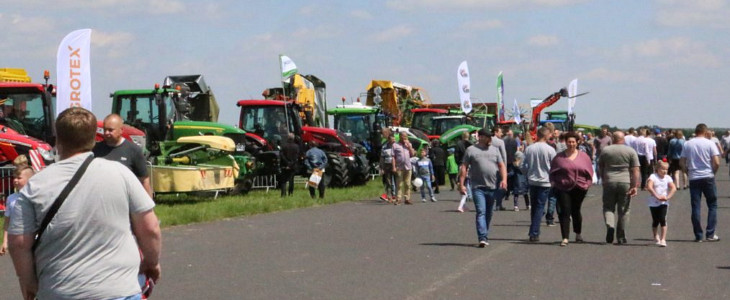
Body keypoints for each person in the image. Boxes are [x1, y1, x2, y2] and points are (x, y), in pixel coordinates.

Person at [8, 107, 161, 300]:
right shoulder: (121, 174)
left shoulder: (37, 184)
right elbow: (150, 227)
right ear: (93, 139)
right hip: (118, 290)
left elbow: (19, 243)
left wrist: (28, 281)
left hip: (60, 290)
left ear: (58, 140)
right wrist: (151, 262)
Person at [459, 129, 507, 247]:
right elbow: (464, 167)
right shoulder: (471, 150)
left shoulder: (495, 150)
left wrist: (504, 180)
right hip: (477, 187)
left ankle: (485, 234)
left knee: (489, 213)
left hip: (492, 186)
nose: (490, 139)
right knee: (481, 211)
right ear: (480, 137)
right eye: (487, 137)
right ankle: (482, 237)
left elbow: (501, 165)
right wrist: (461, 184)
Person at [549, 131, 594, 246]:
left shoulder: (584, 157)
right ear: (566, 142)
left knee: (575, 210)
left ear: (577, 142)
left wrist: (587, 184)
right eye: (569, 142)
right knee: (565, 211)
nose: (571, 144)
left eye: (573, 142)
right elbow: (552, 171)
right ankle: (565, 237)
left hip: (580, 187)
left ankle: (578, 233)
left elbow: (590, 172)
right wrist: (553, 182)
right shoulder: (559, 157)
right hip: (563, 187)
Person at [93, 113, 153, 197]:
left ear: (121, 130)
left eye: (110, 130)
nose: (106, 133)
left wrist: (149, 206)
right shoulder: (96, 150)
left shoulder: (133, 150)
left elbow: (144, 180)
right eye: (105, 129)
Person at [680, 123, 721, 242]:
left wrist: (687, 172)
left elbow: (682, 162)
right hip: (707, 175)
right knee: (712, 205)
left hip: (694, 177)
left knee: (696, 206)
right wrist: (713, 172)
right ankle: (710, 233)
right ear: (705, 131)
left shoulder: (688, 143)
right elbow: (717, 162)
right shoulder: (710, 143)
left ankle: (698, 235)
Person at [599, 131, 640, 245]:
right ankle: (621, 236)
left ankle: (610, 226)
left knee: (608, 207)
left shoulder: (606, 150)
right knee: (624, 210)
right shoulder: (630, 151)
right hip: (625, 181)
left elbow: (601, 166)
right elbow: (635, 170)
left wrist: (603, 178)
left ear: (612, 138)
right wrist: (634, 185)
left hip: (609, 181)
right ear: (623, 139)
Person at [522, 126, 556, 242]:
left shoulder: (529, 149)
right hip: (545, 181)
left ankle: (534, 229)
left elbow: (523, 165)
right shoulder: (550, 150)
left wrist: (527, 173)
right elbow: (554, 166)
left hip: (532, 180)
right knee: (539, 207)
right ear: (546, 135)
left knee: (535, 206)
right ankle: (534, 232)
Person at [1, 157, 34, 256]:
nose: (15, 180)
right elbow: (7, 222)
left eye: (19, 178)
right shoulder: (11, 198)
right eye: (14, 178)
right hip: (16, 239)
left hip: (33, 239)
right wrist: (5, 241)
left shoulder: (34, 197)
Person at [646, 161, 676, 247]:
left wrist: (668, 197)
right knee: (655, 220)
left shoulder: (668, 178)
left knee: (663, 219)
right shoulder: (653, 176)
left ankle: (663, 239)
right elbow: (649, 187)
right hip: (653, 202)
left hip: (664, 202)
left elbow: (673, 188)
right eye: (663, 169)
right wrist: (657, 196)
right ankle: (655, 235)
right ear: (657, 169)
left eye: (666, 169)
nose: (664, 171)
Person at [393, 131, 415, 205]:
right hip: (399, 167)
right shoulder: (395, 145)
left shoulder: (409, 144)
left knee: (408, 184)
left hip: (408, 167)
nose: (404, 138)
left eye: (405, 137)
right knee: (399, 184)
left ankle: (407, 199)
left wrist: (409, 147)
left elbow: (412, 154)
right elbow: (393, 157)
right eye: (403, 136)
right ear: (400, 136)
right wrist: (394, 167)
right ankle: (398, 199)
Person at [490, 126, 507, 211]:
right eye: (500, 132)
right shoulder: (500, 142)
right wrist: (505, 168)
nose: (502, 134)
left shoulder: (488, 140)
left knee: (491, 186)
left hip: (489, 166)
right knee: (499, 186)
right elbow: (504, 156)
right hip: (498, 166)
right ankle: (498, 204)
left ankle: (492, 204)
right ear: (496, 132)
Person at [279, 133, 300, 197]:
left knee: (283, 181)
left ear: (288, 138)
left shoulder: (283, 146)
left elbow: (282, 156)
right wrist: (291, 164)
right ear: (293, 138)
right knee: (291, 180)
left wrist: (287, 163)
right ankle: (290, 193)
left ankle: (283, 194)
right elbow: (296, 157)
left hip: (284, 165)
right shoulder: (296, 146)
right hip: (293, 166)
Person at [380, 132, 397, 203]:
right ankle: (389, 196)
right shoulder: (384, 147)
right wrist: (382, 168)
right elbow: (382, 158)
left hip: (396, 165)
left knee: (396, 181)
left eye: (394, 140)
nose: (393, 141)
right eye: (392, 140)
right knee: (388, 182)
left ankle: (395, 195)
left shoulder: (397, 146)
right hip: (387, 165)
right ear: (388, 140)